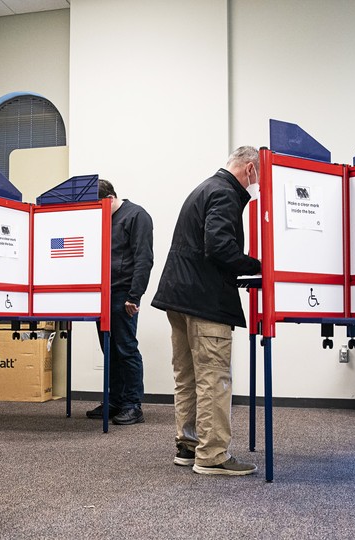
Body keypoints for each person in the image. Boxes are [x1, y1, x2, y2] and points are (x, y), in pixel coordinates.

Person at [151, 146, 262, 476]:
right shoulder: (226, 193)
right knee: (214, 377)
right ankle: (212, 455)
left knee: (187, 376)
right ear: (250, 170)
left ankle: (188, 445)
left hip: (179, 296)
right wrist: (259, 266)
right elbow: (219, 246)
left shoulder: (204, 188)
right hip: (204, 301)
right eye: (261, 179)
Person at [86, 179, 154, 425]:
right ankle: (114, 400)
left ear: (111, 198)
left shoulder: (137, 216)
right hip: (102, 294)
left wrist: (134, 295)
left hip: (123, 294)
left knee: (126, 349)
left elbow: (144, 258)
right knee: (109, 350)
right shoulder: (102, 218)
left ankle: (133, 405)